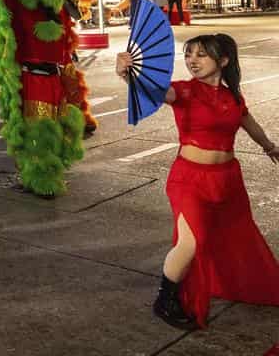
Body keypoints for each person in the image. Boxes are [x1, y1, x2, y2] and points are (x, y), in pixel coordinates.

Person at [116, 33, 279, 330]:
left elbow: (247, 121)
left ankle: (229, 283)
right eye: (189, 54)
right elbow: (156, 92)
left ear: (224, 60)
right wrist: (130, 75)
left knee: (235, 236)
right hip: (189, 179)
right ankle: (165, 300)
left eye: (201, 54)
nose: (192, 60)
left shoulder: (233, 97)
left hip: (228, 181)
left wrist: (269, 146)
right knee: (192, 242)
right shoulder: (185, 92)